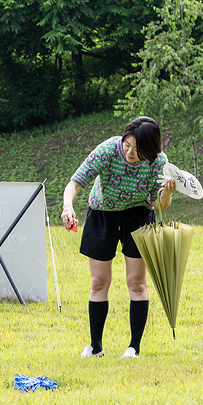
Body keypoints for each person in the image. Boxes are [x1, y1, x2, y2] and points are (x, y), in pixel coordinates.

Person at [60, 116, 176, 359]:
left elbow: (159, 206)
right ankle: (95, 347)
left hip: (138, 215)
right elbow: (75, 183)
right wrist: (67, 206)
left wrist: (166, 193)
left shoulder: (159, 163)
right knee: (98, 282)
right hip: (103, 213)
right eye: (127, 145)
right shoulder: (107, 150)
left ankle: (134, 347)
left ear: (151, 150)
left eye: (138, 150)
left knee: (137, 283)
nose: (130, 153)